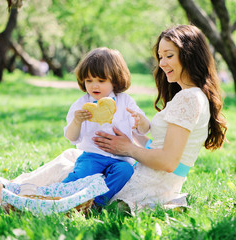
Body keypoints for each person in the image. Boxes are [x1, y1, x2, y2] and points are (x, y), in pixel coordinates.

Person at [92, 25, 227, 211]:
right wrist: (130, 134)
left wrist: (128, 148)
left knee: (71, 169)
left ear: (190, 55)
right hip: (154, 180)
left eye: (169, 56)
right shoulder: (191, 95)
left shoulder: (189, 98)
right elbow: (161, 147)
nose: (162, 63)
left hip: (149, 185)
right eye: (160, 57)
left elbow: (168, 161)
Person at [61, 47, 150, 206]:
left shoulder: (125, 101)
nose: (94, 86)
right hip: (92, 156)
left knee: (125, 172)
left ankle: (97, 202)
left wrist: (140, 121)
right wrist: (77, 122)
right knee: (82, 173)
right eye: (89, 81)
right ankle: (61, 195)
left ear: (115, 80)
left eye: (101, 81)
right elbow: (71, 137)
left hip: (120, 159)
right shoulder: (82, 104)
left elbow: (143, 129)